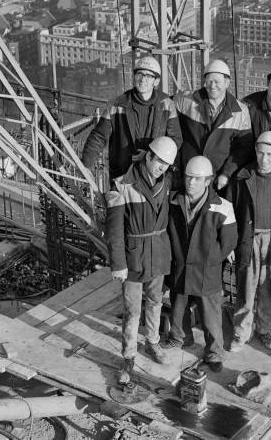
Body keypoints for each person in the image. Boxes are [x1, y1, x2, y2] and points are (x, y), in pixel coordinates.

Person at [104, 136, 178, 384]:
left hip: (158, 254)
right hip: (134, 258)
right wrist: (118, 264)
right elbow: (114, 229)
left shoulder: (166, 182)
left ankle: (153, 342)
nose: (162, 167)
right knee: (132, 310)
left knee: (156, 301)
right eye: (159, 161)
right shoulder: (122, 185)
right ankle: (129, 356)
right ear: (148, 156)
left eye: (167, 164)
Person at [163, 156, 237, 372]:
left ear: (208, 181)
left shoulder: (223, 207)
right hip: (181, 267)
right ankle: (179, 338)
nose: (191, 183)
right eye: (188, 177)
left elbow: (228, 242)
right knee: (178, 306)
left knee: (210, 314)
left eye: (197, 179)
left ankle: (214, 353)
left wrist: (209, 259)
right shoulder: (174, 202)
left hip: (207, 270)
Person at [227, 131, 271, 352]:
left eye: (269, 154)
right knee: (245, 289)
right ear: (255, 151)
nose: (264, 159)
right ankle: (241, 333)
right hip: (248, 239)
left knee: (270, 289)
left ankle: (266, 331)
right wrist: (229, 243)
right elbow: (228, 212)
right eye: (260, 153)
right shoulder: (242, 177)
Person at [82, 55, 182, 183]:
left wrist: (149, 155)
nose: (142, 79)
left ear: (156, 81)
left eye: (148, 76)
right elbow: (99, 136)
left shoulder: (167, 105)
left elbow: (175, 140)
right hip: (123, 176)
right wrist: (86, 164)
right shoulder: (117, 105)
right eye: (139, 74)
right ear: (134, 77)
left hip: (154, 177)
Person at [174, 59, 253, 192]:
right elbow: (170, 125)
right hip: (188, 176)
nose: (212, 86)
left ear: (227, 83)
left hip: (217, 179)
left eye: (217, 82)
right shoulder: (187, 102)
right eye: (209, 81)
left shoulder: (240, 112)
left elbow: (243, 149)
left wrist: (226, 173)